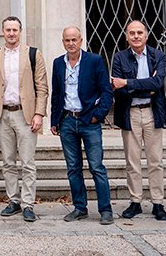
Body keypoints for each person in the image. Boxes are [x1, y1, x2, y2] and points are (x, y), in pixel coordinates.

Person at [0, 16, 49, 222]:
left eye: (15, 30)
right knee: (8, 161)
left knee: (28, 162)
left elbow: (42, 87)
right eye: (8, 30)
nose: (11, 33)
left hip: (26, 115)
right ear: (2, 32)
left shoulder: (33, 54)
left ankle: (28, 204)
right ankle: (13, 201)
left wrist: (39, 113)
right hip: (2, 114)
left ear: (20, 31)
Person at [51, 26, 114, 225]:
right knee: (73, 168)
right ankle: (80, 208)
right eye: (67, 40)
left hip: (89, 121)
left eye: (74, 40)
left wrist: (98, 116)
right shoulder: (58, 63)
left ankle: (105, 210)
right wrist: (54, 120)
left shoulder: (94, 61)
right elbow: (56, 93)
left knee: (96, 167)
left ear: (80, 40)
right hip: (67, 120)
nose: (71, 43)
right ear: (63, 42)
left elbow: (107, 91)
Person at [111, 20, 166, 221]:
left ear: (146, 35)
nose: (136, 36)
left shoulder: (158, 55)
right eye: (132, 33)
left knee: (155, 160)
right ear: (126, 36)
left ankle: (158, 203)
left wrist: (128, 82)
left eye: (139, 33)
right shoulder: (119, 57)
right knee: (132, 161)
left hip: (153, 112)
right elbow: (119, 89)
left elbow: (158, 82)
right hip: (130, 112)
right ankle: (135, 202)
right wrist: (144, 86)